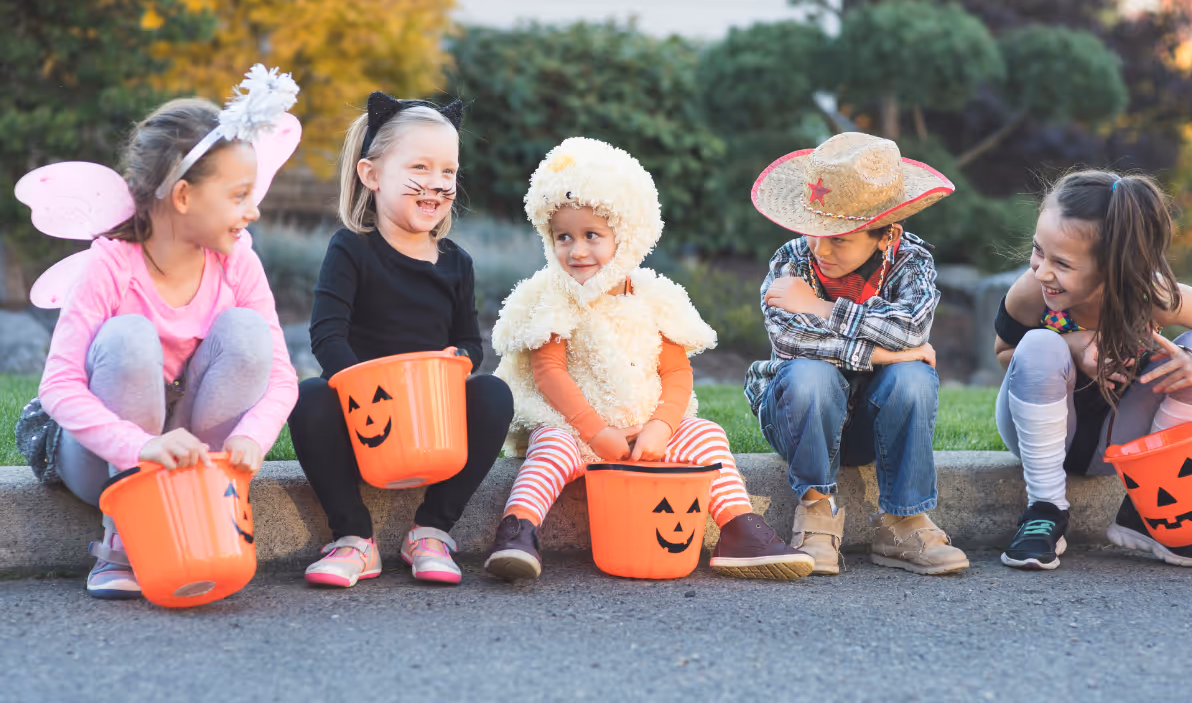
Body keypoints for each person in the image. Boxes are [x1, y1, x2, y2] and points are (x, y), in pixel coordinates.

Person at [483, 137, 812, 581]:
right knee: (550, 448)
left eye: (591, 236)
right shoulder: (555, 296)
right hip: (579, 429)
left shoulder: (655, 297)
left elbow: (676, 372)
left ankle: (737, 528)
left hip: (646, 435)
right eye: (563, 237)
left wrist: (660, 427)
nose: (576, 250)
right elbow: (549, 372)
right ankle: (519, 529)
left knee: (707, 436)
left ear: (627, 236)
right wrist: (596, 432)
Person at [31, 69, 301, 599]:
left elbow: (282, 378)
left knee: (248, 333)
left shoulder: (238, 261)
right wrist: (143, 446)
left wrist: (252, 436)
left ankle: (202, 507)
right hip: (105, 457)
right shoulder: (111, 265)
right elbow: (57, 387)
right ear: (183, 197)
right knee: (130, 336)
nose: (255, 209)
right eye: (239, 194)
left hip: (190, 452)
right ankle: (122, 541)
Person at [288, 92, 513, 588]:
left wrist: (460, 358)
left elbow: (468, 343)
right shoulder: (352, 248)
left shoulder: (457, 263)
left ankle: (431, 531)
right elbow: (327, 333)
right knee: (306, 396)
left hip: (430, 419)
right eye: (420, 167)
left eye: (448, 172)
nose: (437, 183)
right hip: (363, 418)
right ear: (372, 175)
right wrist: (362, 390)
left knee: (494, 394)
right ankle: (354, 537)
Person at [994, 170, 1192, 570]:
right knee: (1038, 343)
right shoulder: (1032, 290)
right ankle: (1045, 511)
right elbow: (1006, 354)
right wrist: (1073, 346)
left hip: (1120, 440)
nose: (1042, 271)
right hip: (1042, 433)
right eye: (1039, 251)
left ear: (1113, 267)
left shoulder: (1149, 295)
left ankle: (1150, 509)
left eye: (1062, 263)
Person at [746, 132, 967, 576]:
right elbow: (792, 342)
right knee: (811, 375)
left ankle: (904, 521)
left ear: (886, 236)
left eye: (840, 239)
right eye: (814, 231)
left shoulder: (911, 261)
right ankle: (816, 512)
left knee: (914, 379)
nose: (820, 249)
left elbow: (911, 328)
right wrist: (882, 355)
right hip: (798, 416)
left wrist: (819, 307)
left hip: (869, 424)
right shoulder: (792, 261)